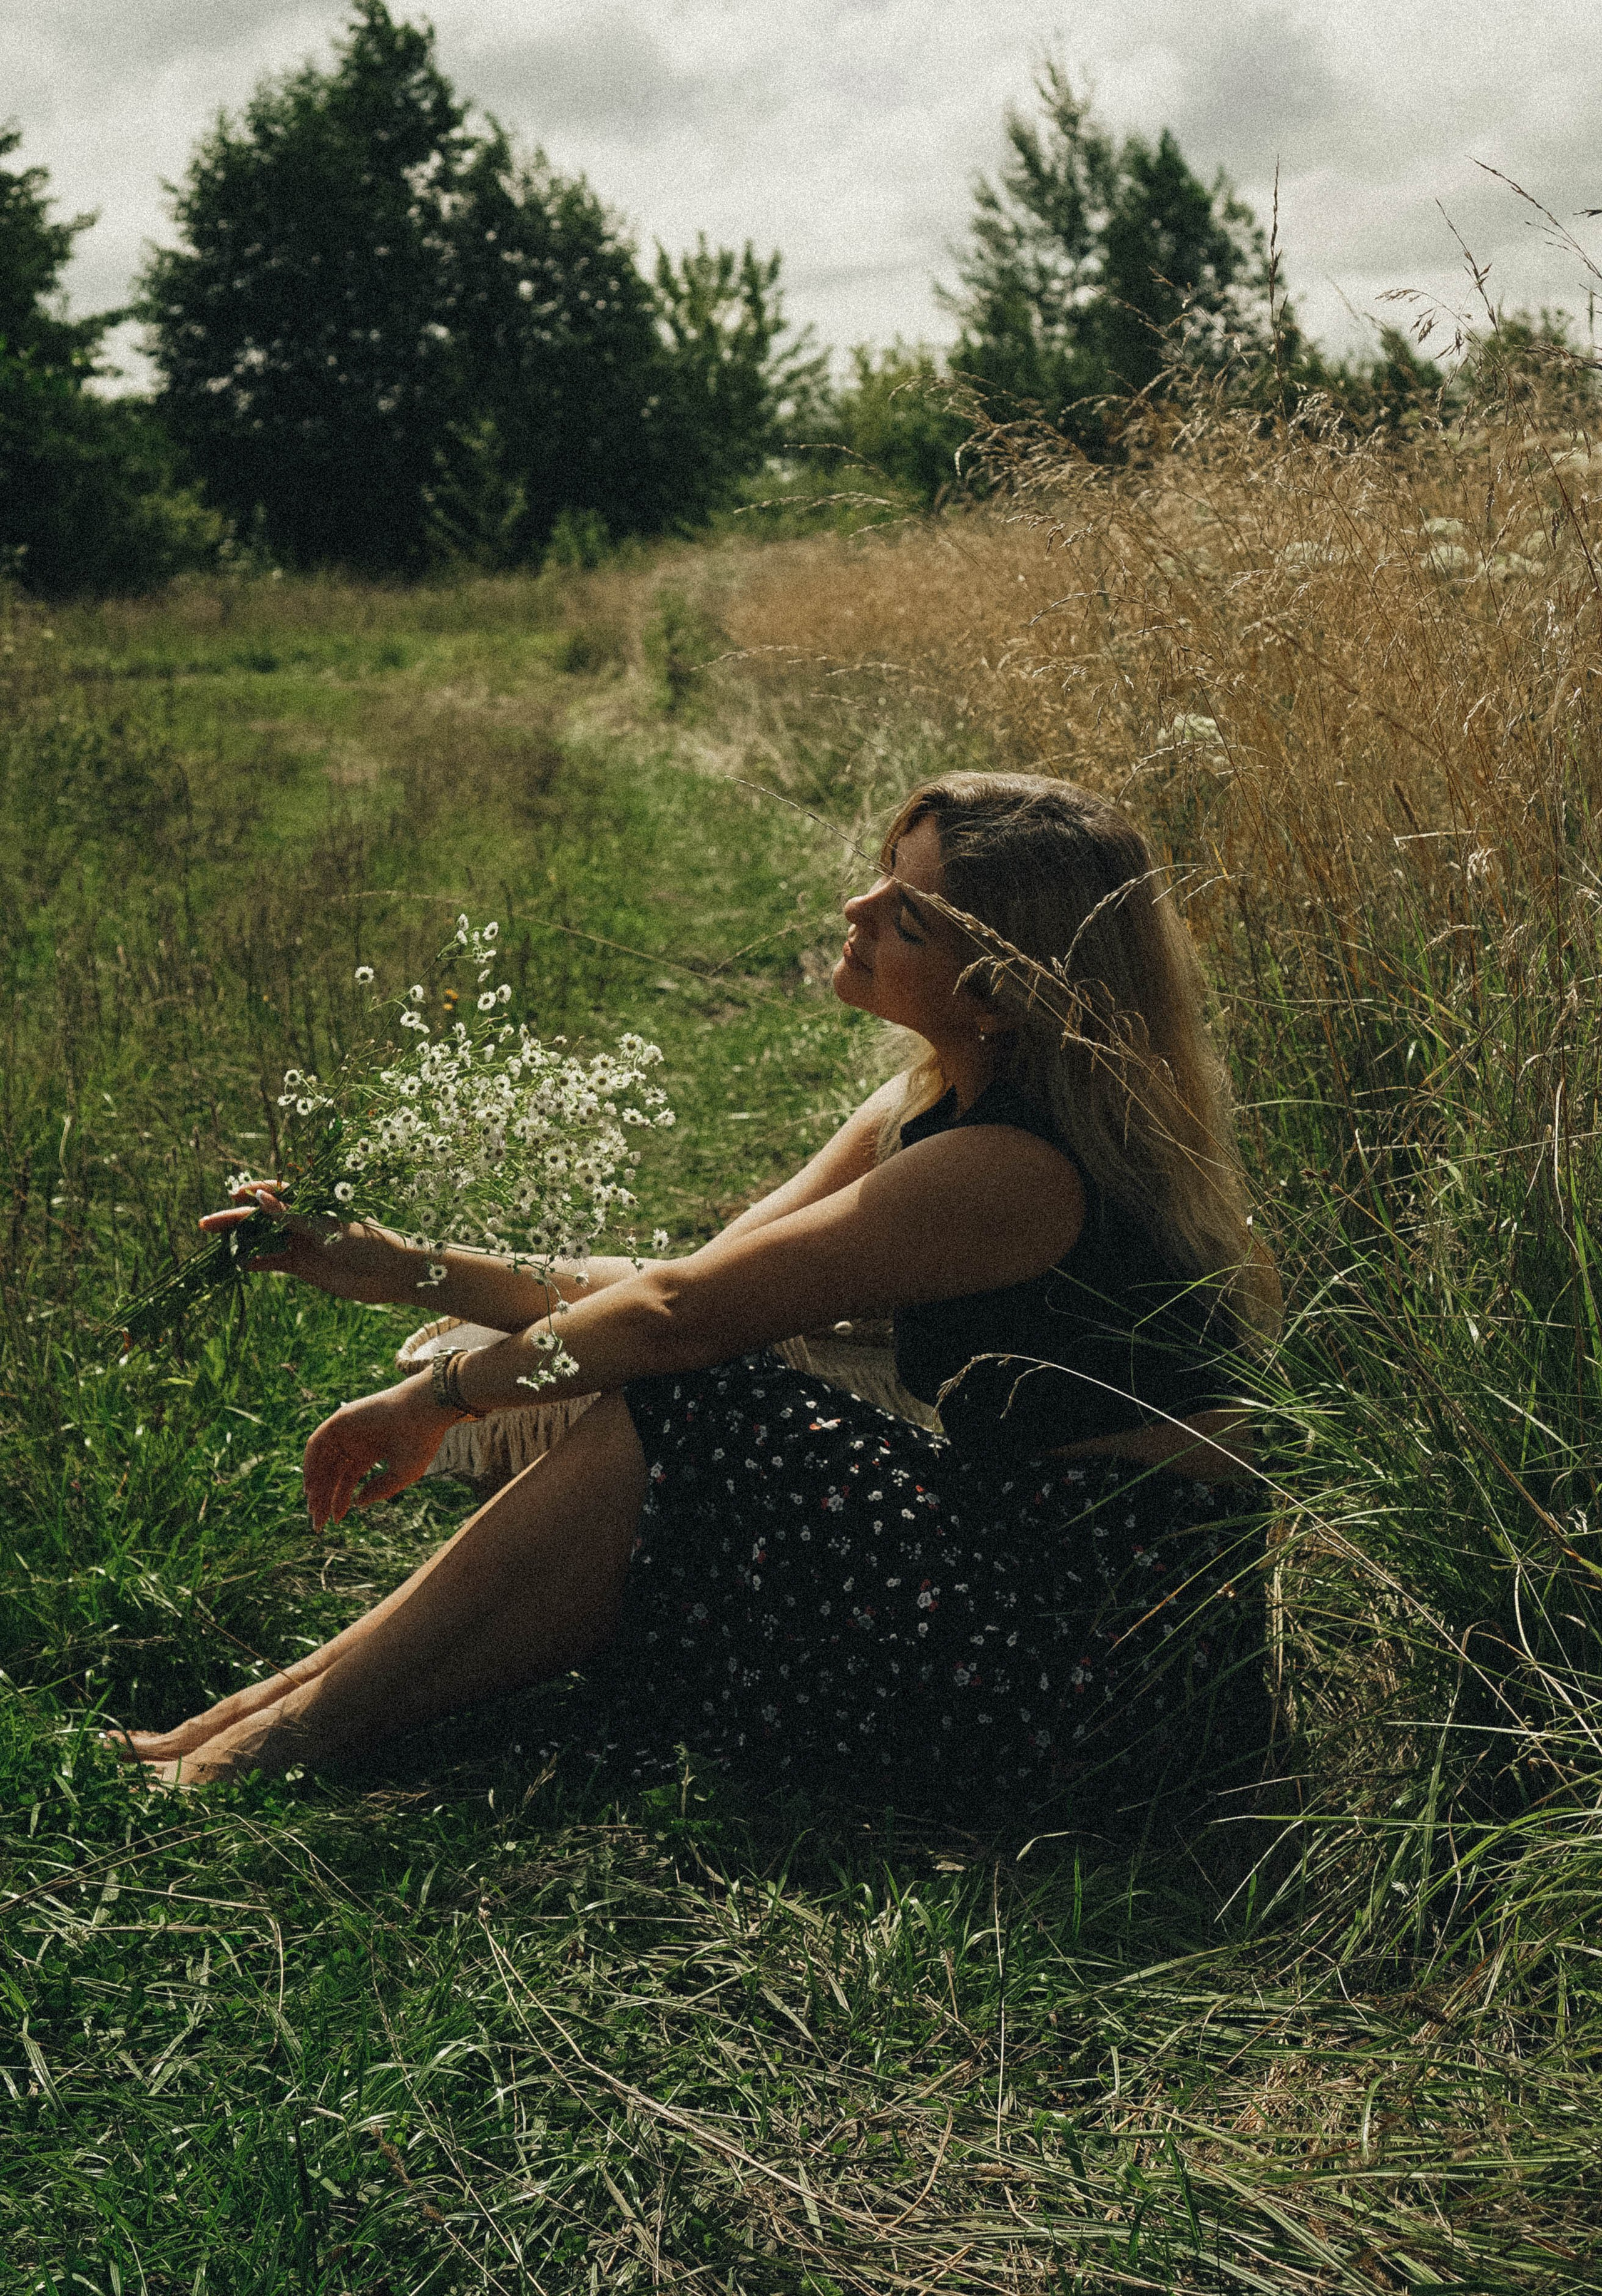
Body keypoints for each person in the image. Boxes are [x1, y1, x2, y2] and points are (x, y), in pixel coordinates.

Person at [118, 772, 1278, 1802]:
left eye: (906, 916)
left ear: (993, 993)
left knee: (691, 1411)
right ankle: (257, 1717)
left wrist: (442, 1400)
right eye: (882, 876)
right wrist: (391, 1262)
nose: (856, 912)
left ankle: (276, 1744)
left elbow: (679, 1323)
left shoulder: (1010, 1167)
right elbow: (690, 1283)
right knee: (687, 1394)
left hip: (1104, 1659)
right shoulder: (937, 1099)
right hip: (1020, 1568)